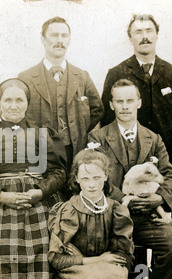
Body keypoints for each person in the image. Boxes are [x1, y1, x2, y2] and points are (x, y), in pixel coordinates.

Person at [100, 14, 172, 279]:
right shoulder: (118, 72)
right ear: (130, 38)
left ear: (156, 35)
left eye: (149, 31)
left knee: (167, 220)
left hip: (157, 154)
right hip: (125, 157)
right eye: (138, 32)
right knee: (136, 239)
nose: (144, 36)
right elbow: (108, 117)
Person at [89, 79, 172, 279]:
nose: (125, 106)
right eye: (119, 101)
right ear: (111, 104)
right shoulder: (97, 139)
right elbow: (95, 178)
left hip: (146, 217)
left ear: (139, 103)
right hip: (109, 217)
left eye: (130, 101)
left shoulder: (153, 139)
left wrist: (159, 198)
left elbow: (170, 175)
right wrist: (126, 198)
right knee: (115, 262)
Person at [0, 78, 67, 279]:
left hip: (38, 201)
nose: (13, 105)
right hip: (2, 207)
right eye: (8, 100)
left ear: (27, 103)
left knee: (43, 255)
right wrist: (2, 196)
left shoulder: (43, 134)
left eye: (19, 100)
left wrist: (40, 192)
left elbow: (59, 172)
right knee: (1, 255)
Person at [18, 16, 104, 181]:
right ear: (43, 40)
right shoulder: (26, 77)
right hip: (41, 153)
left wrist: (79, 128)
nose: (60, 41)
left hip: (75, 150)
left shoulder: (82, 76)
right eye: (54, 35)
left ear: (69, 40)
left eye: (64, 36)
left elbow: (97, 109)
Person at [48, 148, 136, 279]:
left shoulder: (116, 210)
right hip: (74, 271)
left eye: (96, 178)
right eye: (85, 179)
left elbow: (123, 256)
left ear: (106, 176)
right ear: (76, 178)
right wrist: (97, 259)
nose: (91, 185)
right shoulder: (67, 210)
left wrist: (103, 262)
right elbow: (57, 260)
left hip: (108, 269)